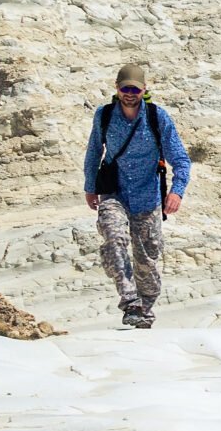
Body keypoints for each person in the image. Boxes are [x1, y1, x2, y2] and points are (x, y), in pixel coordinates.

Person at [82, 63, 191, 328]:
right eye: (124, 88)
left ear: (144, 89)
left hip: (148, 198)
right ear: (117, 89)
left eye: (135, 88)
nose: (129, 93)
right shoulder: (105, 115)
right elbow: (94, 150)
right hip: (114, 193)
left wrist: (176, 192)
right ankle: (129, 301)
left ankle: (145, 311)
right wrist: (90, 186)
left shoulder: (157, 117)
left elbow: (181, 159)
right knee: (113, 238)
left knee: (148, 259)